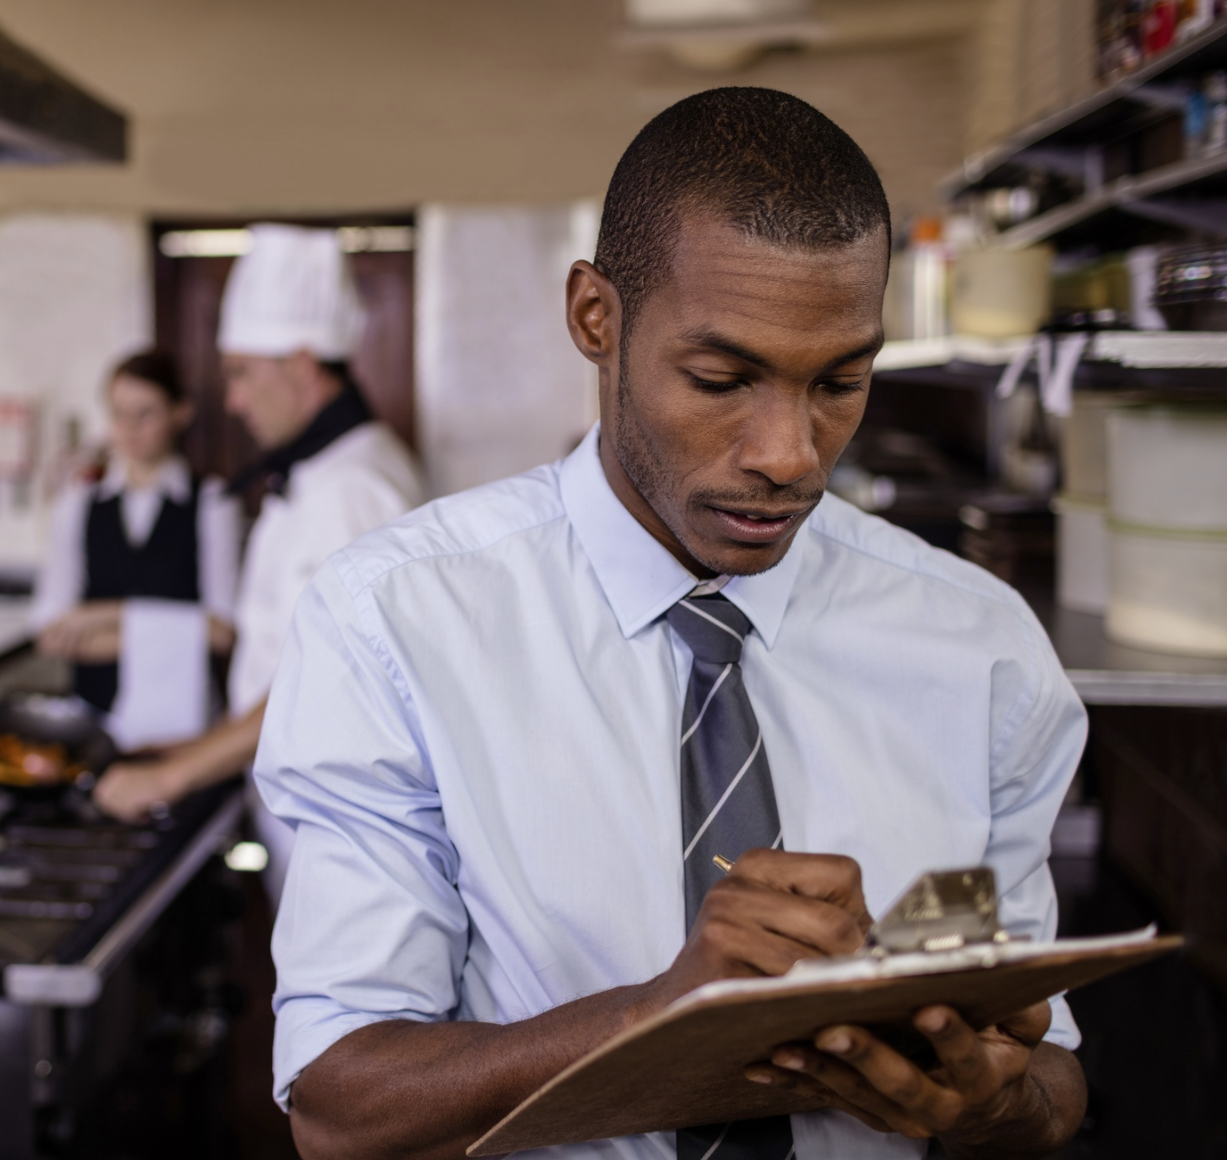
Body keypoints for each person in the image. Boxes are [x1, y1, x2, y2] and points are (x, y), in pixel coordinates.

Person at [257, 89, 1088, 1160]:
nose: (789, 453)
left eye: (840, 380)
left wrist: (984, 1104)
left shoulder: (981, 649)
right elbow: (339, 1108)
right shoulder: (398, 623)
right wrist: (661, 1019)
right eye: (721, 377)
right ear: (596, 318)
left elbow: (1049, 1073)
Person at [94, 226, 424, 902]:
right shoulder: (317, 471)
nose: (234, 400)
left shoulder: (355, 488)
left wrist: (174, 774)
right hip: (308, 827)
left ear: (301, 364)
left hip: (350, 846)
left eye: (242, 373)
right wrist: (197, 745)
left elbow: (327, 686)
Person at [31, 351, 241, 750]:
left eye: (145, 414)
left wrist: (104, 616)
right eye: (118, 414)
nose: (129, 430)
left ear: (181, 412)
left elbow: (222, 631)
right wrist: (174, 630)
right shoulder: (78, 503)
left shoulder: (213, 503)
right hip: (95, 723)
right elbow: (52, 634)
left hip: (185, 730)